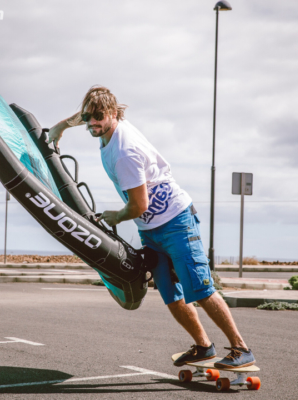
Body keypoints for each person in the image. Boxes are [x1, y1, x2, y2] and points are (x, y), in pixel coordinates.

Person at [48, 86, 255, 368]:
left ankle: (242, 349)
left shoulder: (124, 151)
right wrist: (60, 127)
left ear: (112, 113)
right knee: (171, 295)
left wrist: (114, 217)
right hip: (152, 231)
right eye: (88, 117)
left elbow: (138, 206)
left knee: (200, 288)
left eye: (97, 117)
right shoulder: (103, 124)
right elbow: (81, 117)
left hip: (176, 223)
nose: (91, 123)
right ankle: (203, 346)